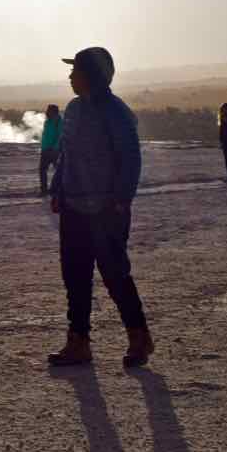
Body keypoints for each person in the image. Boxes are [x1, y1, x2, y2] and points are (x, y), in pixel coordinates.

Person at [48, 47, 154, 369]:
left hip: (106, 209)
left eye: (75, 71)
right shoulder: (74, 109)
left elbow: (130, 157)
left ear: (91, 76)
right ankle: (78, 342)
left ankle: (139, 337)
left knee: (115, 275)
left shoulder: (116, 112)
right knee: (75, 275)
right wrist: (57, 189)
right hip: (74, 207)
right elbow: (66, 153)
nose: (70, 76)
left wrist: (121, 200)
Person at [38, 103, 63, 195]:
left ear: (54, 112)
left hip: (54, 151)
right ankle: (44, 190)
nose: (47, 112)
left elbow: (61, 136)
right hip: (45, 150)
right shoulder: (47, 122)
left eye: (49, 111)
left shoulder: (59, 122)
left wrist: (56, 148)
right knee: (42, 170)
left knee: (58, 171)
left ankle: (59, 189)